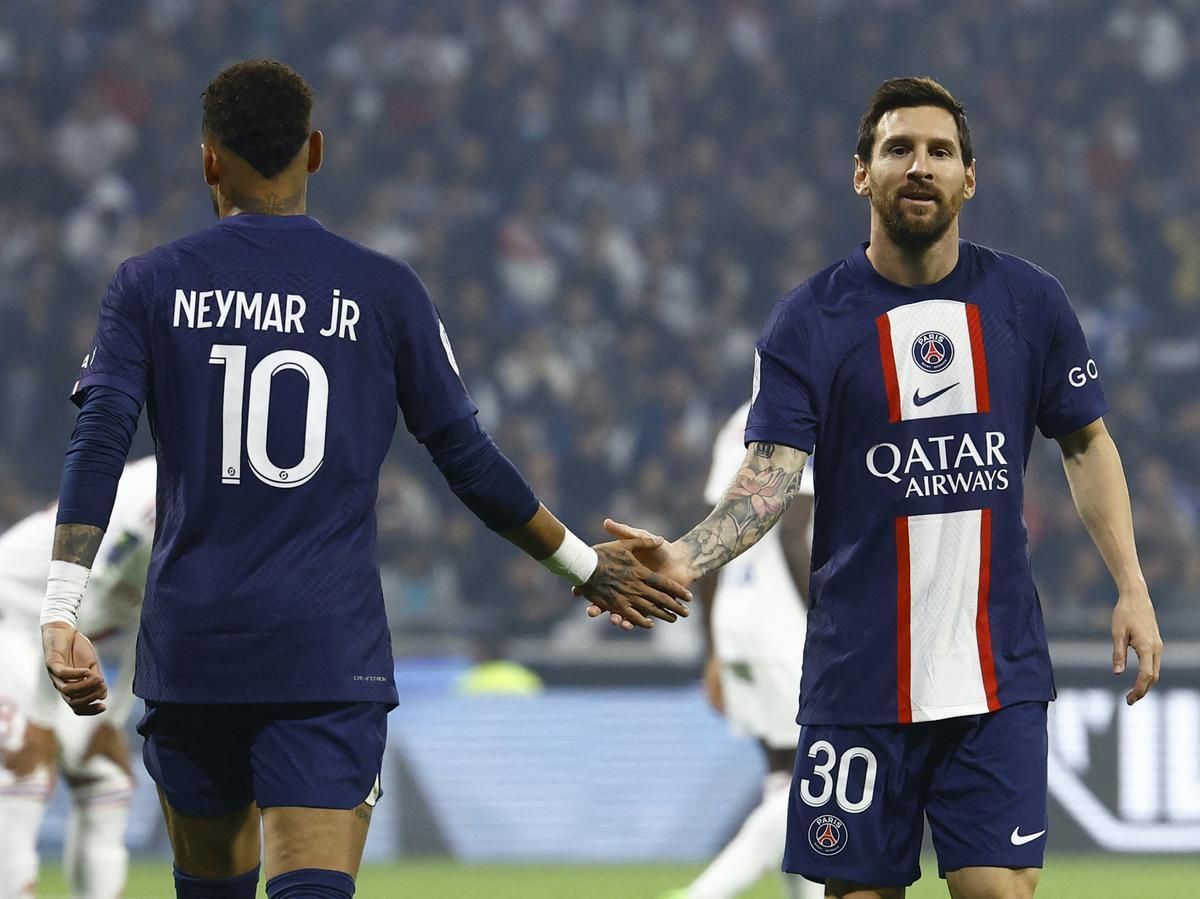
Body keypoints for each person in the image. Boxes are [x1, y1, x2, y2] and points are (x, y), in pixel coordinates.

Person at [39, 59, 691, 899]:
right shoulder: (384, 291)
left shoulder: (149, 284)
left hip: (193, 649)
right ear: (315, 149)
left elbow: (97, 439)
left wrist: (62, 610)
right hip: (324, 652)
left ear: (208, 159)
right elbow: (467, 459)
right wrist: (582, 564)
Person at [596, 76, 1163, 899]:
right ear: (862, 173)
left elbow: (1088, 442)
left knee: (998, 892)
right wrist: (685, 556)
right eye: (899, 149)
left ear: (972, 177)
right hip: (858, 678)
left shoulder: (1028, 301)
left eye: (940, 151)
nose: (920, 165)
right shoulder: (808, 322)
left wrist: (1132, 584)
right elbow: (770, 481)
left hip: (994, 673)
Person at [661, 403, 822, 899]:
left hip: (737, 615)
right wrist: (825, 624)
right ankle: (703, 894)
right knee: (815, 777)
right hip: (786, 622)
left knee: (784, 775)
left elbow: (713, 534)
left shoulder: (740, 422)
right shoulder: (808, 410)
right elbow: (794, 529)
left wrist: (714, 646)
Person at [1, 457, 155, 899]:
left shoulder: (209, 495)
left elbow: (152, 621)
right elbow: (75, 601)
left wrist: (112, 721)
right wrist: (42, 717)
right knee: (23, 764)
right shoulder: (153, 496)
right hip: (13, 614)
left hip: (60, 634)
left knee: (107, 777)